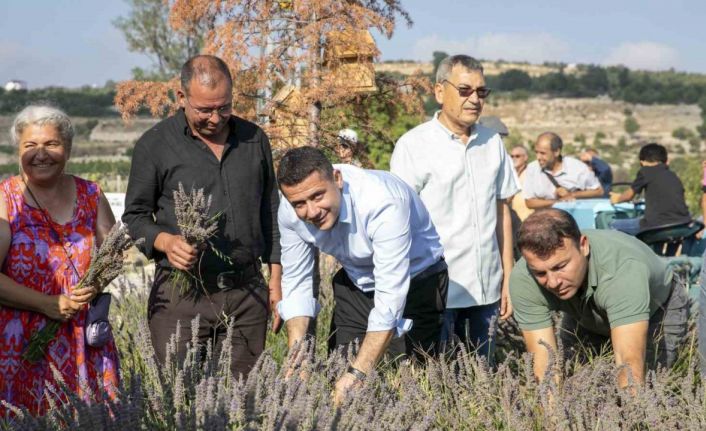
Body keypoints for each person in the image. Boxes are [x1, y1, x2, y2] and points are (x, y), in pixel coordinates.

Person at [122, 55, 281, 377]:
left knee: (244, 402)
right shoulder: (155, 145)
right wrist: (166, 242)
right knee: (177, 401)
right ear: (181, 98)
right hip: (181, 296)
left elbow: (272, 211)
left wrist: (276, 281)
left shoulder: (254, 139)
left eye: (224, 107)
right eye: (204, 110)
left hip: (247, 294)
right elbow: (135, 217)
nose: (216, 118)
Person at [276, 147, 448, 404]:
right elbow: (297, 284)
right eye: (299, 203)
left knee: (409, 383)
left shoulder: (382, 201)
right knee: (340, 372)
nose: (311, 212)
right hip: (356, 280)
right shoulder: (290, 210)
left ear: (337, 179)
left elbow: (390, 297)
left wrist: (358, 373)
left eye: (317, 196)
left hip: (417, 280)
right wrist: (297, 362)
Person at [390, 54, 519, 360]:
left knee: (480, 380)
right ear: (439, 91)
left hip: (486, 290)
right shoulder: (413, 145)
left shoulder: (492, 143)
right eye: (465, 90)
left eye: (481, 92)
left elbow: (502, 212)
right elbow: (399, 219)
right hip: (436, 290)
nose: (474, 99)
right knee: (435, 381)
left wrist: (509, 276)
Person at [0, 105, 120, 414]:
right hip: (20, 344)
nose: (41, 153)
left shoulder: (91, 194)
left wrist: (90, 287)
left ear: (67, 148)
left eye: (51, 144)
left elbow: (113, 254)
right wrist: (46, 303)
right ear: (18, 150)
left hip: (83, 338)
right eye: (30, 145)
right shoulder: (5, 200)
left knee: (90, 418)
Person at [510, 209, 688, 387]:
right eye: (540, 273)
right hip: (584, 312)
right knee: (578, 383)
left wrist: (632, 411)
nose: (553, 282)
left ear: (583, 246)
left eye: (560, 267)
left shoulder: (622, 271)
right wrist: (550, 414)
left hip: (657, 310)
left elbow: (629, 362)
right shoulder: (524, 278)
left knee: (652, 387)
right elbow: (544, 364)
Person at [610, 143, 690, 236]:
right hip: (681, 224)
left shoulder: (646, 171)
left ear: (642, 161)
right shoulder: (673, 175)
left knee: (612, 225)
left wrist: (616, 199)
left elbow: (629, 196)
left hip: (655, 225)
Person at [523, 132, 603, 209]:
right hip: (544, 220)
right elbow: (529, 202)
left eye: (543, 153)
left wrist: (573, 195)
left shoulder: (578, 168)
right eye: (536, 152)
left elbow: (598, 191)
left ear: (556, 152)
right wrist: (558, 202)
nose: (538, 157)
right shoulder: (532, 169)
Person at [510, 145, 533, 221]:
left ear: (525, 157)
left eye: (517, 156)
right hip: (515, 220)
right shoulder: (511, 175)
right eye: (512, 156)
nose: (514, 159)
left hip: (530, 219)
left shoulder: (531, 173)